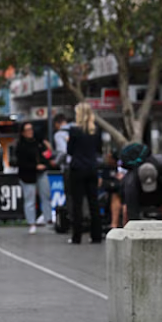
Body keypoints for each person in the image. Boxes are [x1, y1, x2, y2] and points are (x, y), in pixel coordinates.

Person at [67, 102, 103, 243]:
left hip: (77, 168)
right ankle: (96, 235)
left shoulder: (74, 130)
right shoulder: (96, 131)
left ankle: (77, 236)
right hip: (92, 168)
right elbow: (99, 150)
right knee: (94, 203)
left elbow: (70, 151)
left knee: (77, 204)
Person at [120, 143, 162, 223]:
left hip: (159, 193)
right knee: (126, 211)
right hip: (139, 197)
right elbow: (132, 214)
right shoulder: (130, 183)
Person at [15, 122, 53, 234]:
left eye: (31, 129)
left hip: (41, 173)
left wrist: (45, 162)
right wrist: (35, 166)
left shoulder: (38, 143)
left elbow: (47, 155)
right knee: (29, 199)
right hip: (28, 175)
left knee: (46, 195)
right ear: (22, 133)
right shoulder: (21, 146)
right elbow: (21, 163)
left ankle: (48, 219)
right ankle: (31, 223)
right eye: (27, 130)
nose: (30, 132)